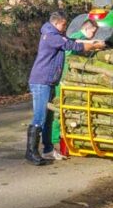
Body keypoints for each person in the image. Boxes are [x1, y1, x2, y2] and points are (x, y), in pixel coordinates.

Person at [27, 12, 106, 166]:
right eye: (64, 25)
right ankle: (31, 152)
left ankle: (48, 149)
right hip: (41, 81)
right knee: (40, 117)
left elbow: (70, 40)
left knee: (49, 117)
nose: (65, 28)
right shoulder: (51, 35)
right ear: (56, 23)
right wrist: (95, 45)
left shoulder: (55, 34)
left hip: (49, 81)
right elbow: (72, 45)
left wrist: (94, 41)